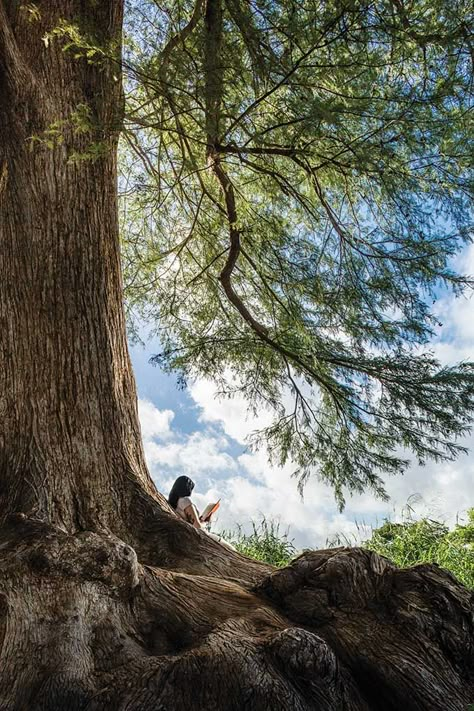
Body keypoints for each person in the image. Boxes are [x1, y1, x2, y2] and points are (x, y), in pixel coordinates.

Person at [167, 475, 235, 551]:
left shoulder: (174, 503)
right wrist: (205, 522)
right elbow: (197, 526)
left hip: (188, 535)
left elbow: (189, 521)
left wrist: (201, 520)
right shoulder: (185, 501)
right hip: (202, 536)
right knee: (232, 549)